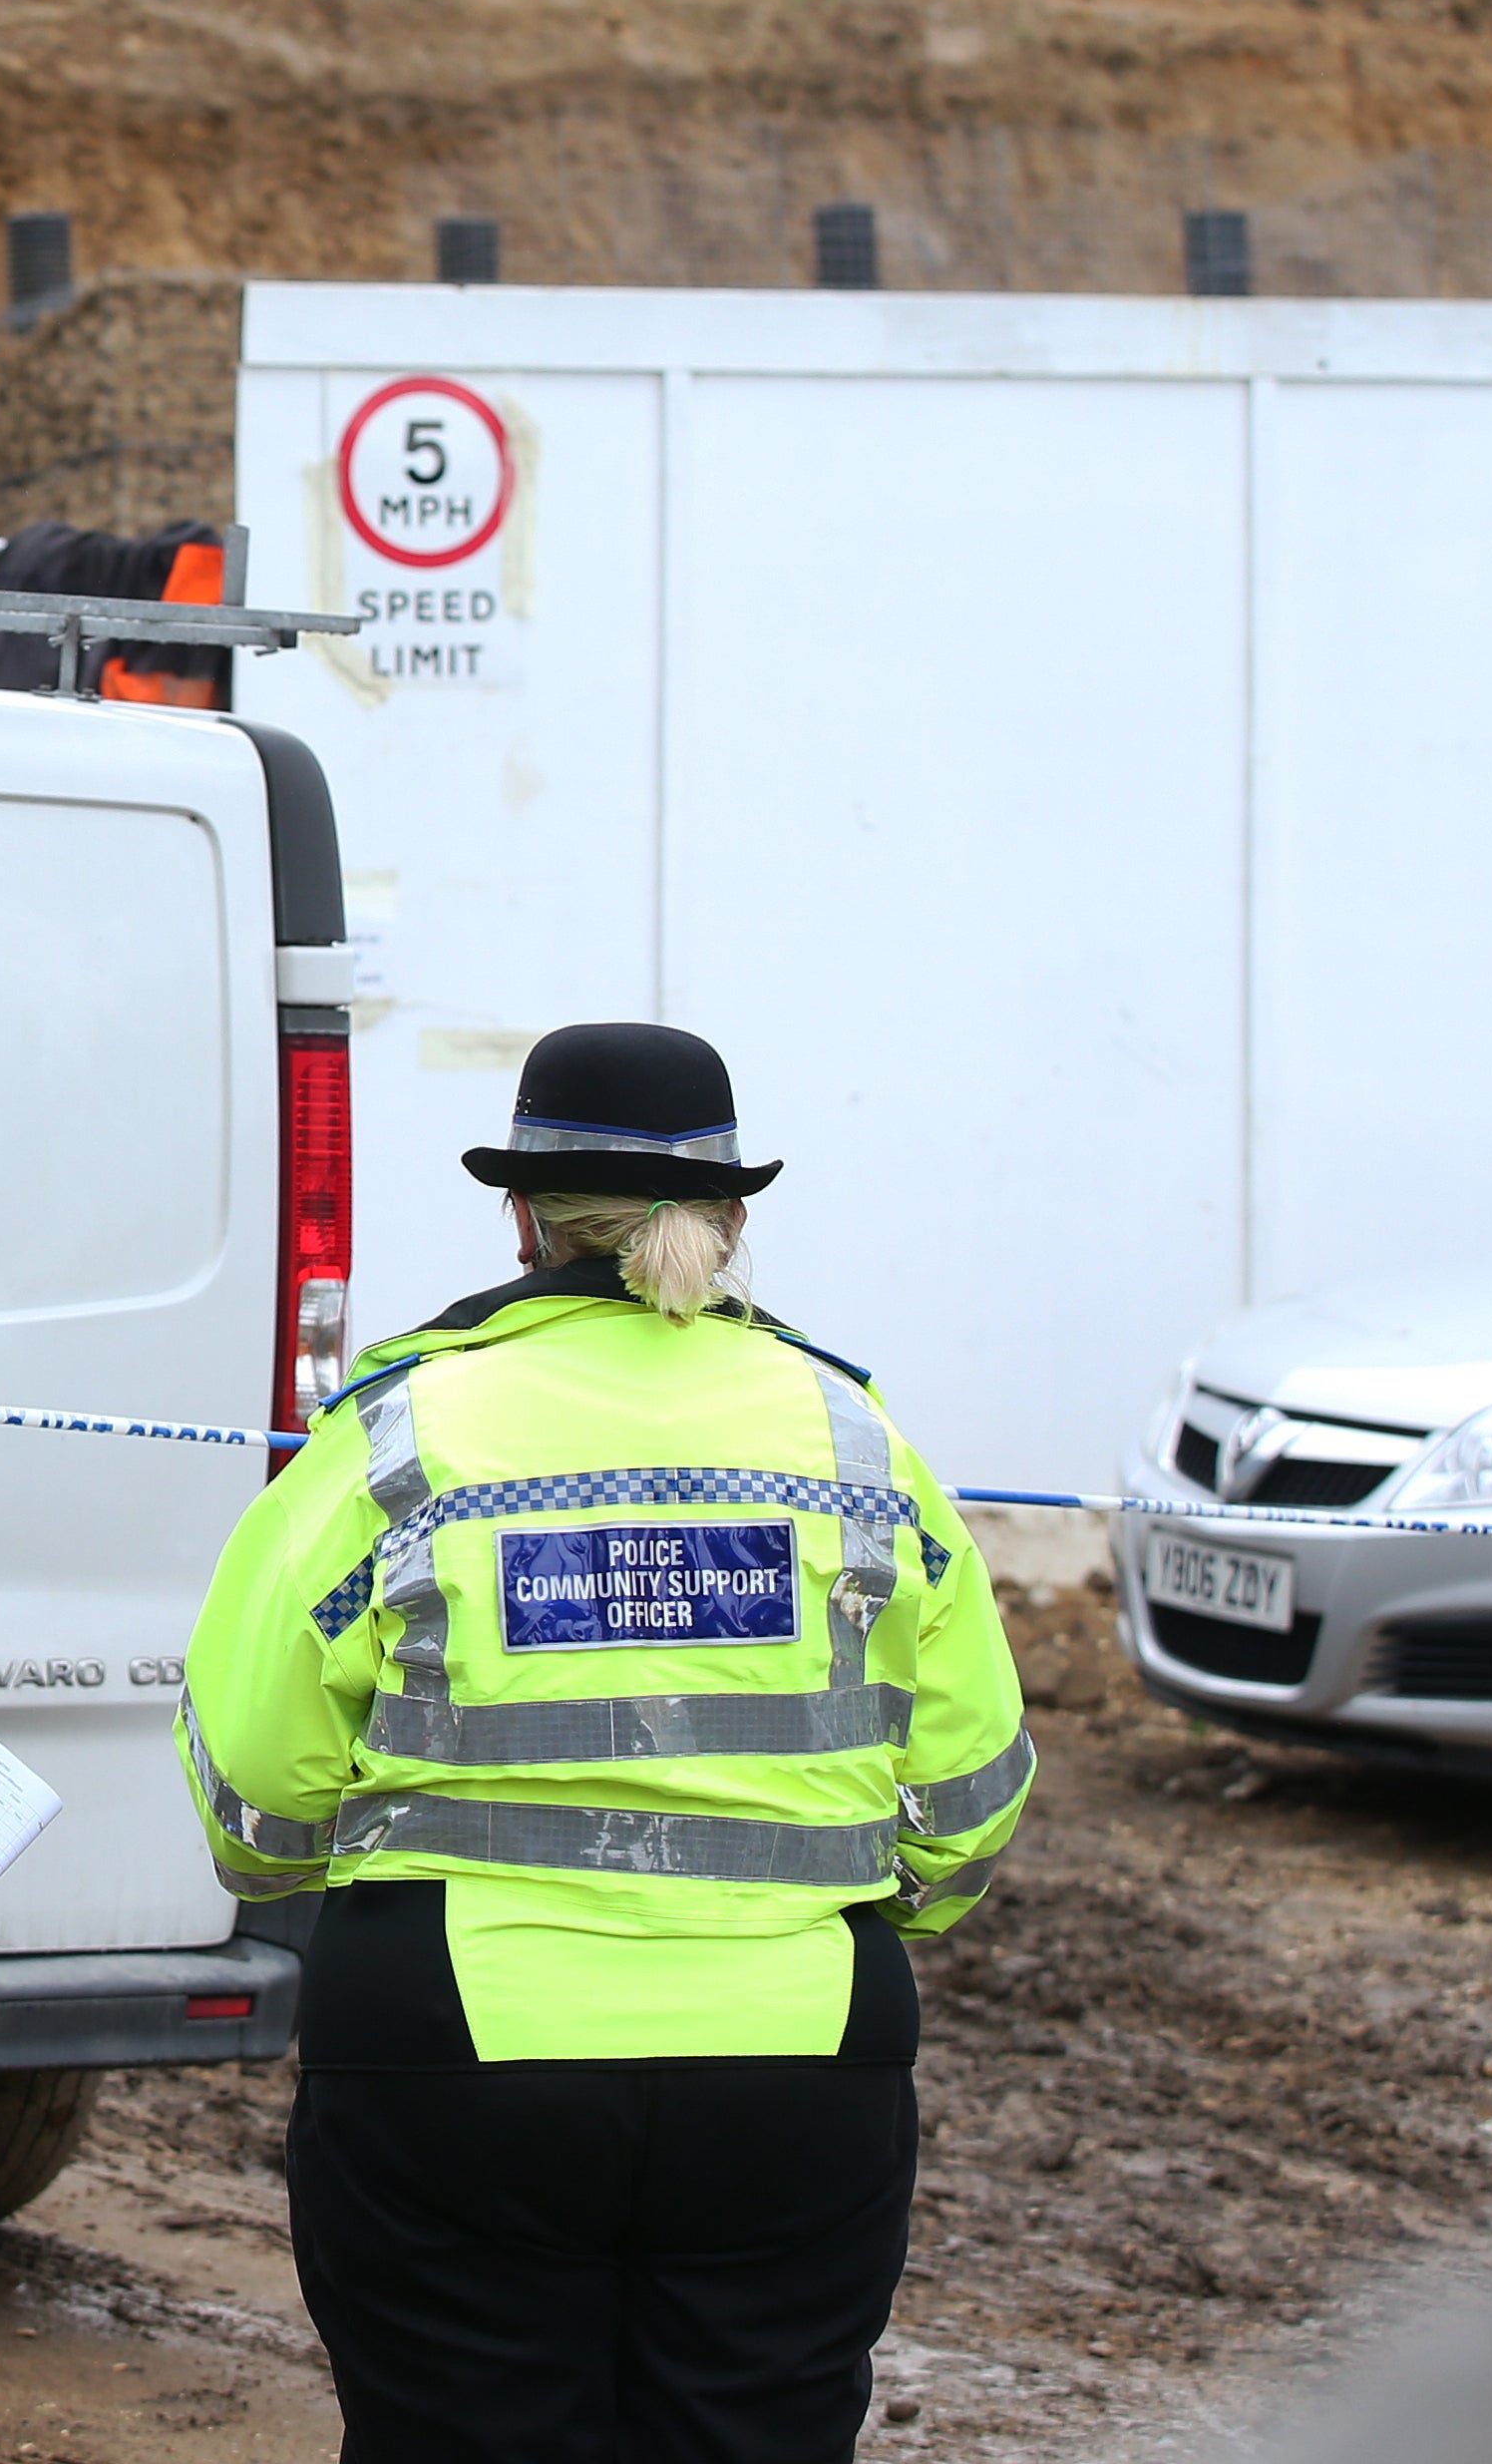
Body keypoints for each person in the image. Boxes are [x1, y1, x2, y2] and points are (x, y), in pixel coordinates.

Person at [174, 1022, 1027, 2464]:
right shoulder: (857, 1439)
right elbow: (967, 1793)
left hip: (453, 2055)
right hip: (799, 2059)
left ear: (522, 1215)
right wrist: (878, 1903)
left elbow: (259, 1786)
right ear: (734, 1219)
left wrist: (334, 1870)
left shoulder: (398, 1435)